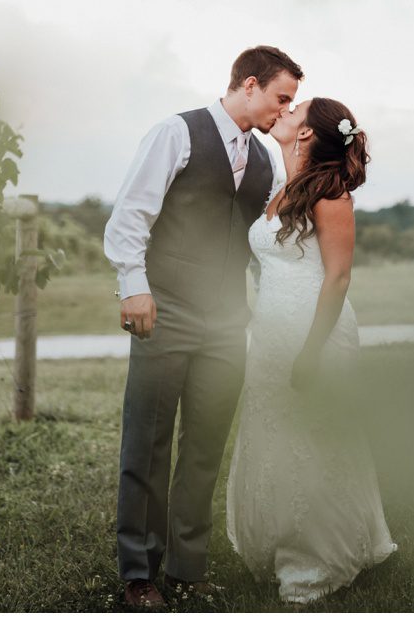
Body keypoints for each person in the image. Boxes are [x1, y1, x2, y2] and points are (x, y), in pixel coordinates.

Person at [103, 45, 303, 610]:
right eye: (280, 98)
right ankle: (139, 574)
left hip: (226, 321)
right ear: (248, 85)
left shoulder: (263, 159)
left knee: (205, 445)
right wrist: (133, 286)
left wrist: (289, 149)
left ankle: (187, 570)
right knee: (148, 443)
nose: (284, 110)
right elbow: (130, 215)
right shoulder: (177, 133)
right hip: (164, 308)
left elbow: (272, 232)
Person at [225, 97, 397, 605]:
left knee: (317, 438)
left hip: (313, 331)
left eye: (294, 109)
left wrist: (312, 351)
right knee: (276, 434)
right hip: (272, 331)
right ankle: (281, 543)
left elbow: (338, 277)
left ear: (305, 135)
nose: (284, 111)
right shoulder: (282, 190)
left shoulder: (331, 195)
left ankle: (317, 560)